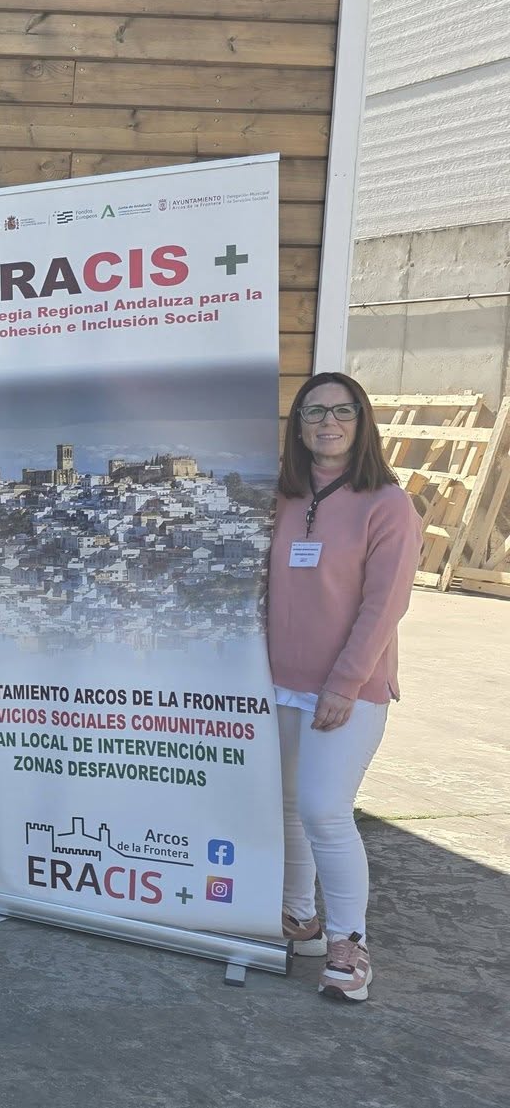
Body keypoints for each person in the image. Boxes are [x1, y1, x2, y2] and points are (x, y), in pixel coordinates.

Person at [268, 372, 422, 1003]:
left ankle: (348, 942)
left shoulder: (388, 504)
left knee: (325, 812)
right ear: (299, 426)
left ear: (362, 424)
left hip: (347, 688)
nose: (327, 422)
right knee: (287, 806)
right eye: (313, 412)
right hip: (280, 683)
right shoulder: (284, 497)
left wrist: (345, 683)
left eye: (342, 411)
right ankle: (299, 917)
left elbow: (385, 606)